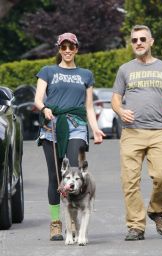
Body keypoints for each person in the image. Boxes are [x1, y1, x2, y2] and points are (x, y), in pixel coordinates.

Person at [35, 32, 105, 241]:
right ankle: (56, 222)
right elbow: (38, 99)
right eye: (63, 47)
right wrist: (45, 108)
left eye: (71, 47)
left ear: (76, 49)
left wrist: (95, 129)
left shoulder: (86, 74)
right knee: (55, 176)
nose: (67, 50)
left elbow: (89, 107)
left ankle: (73, 222)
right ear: (59, 48)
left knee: (73, 172)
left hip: (76, 126)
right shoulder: (47, 71)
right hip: (52, 127)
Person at [111, 25, 162, 241]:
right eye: (134, 40)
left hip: (159, 132)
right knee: (130, 181)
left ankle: (156, 210)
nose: (138, 43)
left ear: (151, 41)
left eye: (142, 39)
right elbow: (116, 98)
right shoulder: (125, 69)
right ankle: (136, 226)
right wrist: (120, 110)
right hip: (132, 132)